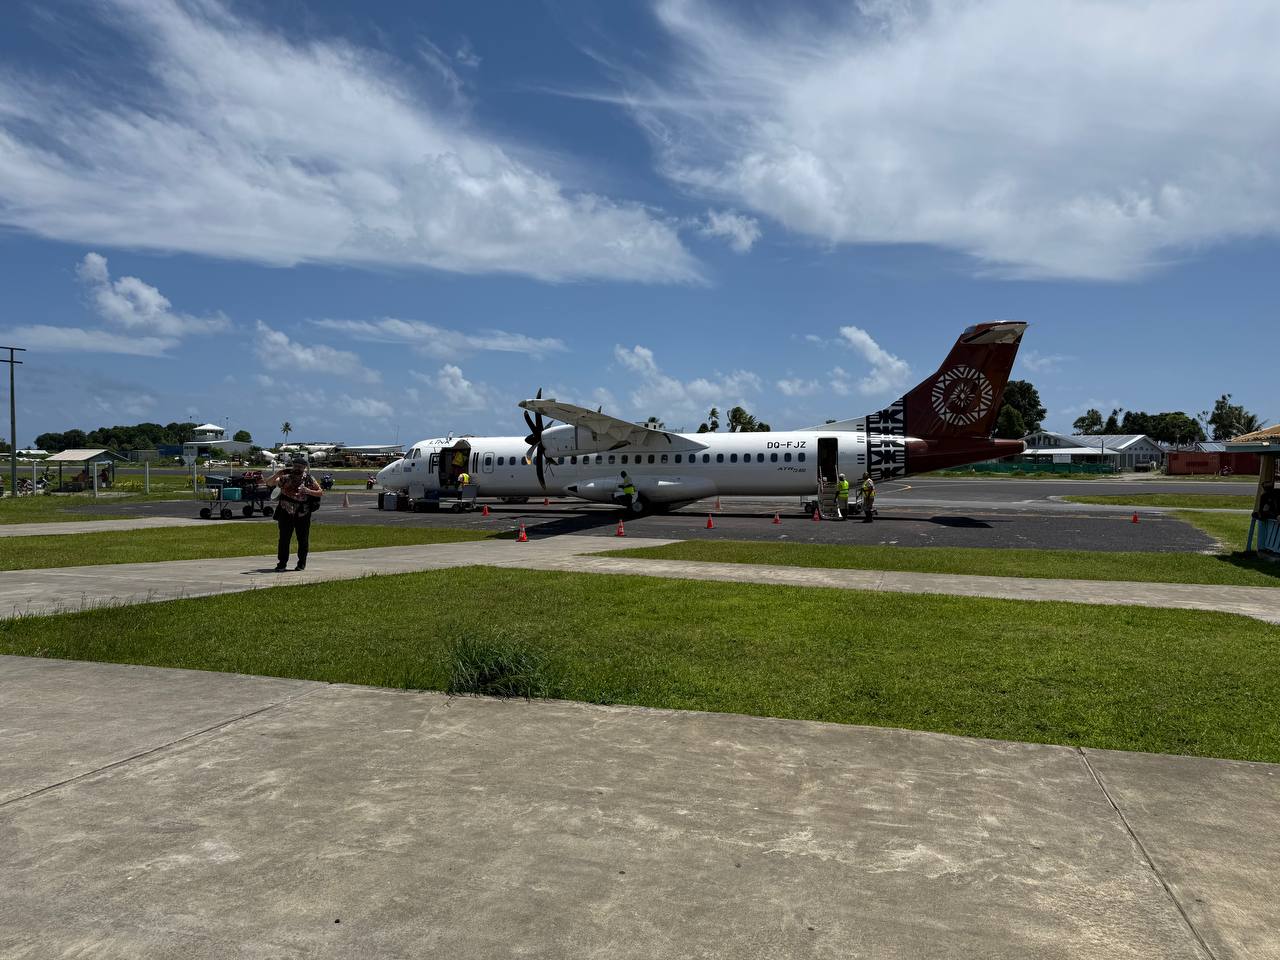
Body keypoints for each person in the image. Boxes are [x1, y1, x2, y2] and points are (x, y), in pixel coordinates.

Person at [267, 455, 323, 571]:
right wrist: (278, 474)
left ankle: (301, 563)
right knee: (284, 539)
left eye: (301, 467)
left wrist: (308, 491)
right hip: (285, 511)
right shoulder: (285, 478)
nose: (298, 469)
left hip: (302, 512)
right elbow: (269, 483)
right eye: (296, 466)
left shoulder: (309, 479)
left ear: (304, 468)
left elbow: (320, 492)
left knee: (302, 539)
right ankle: (282, 563)